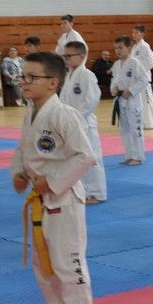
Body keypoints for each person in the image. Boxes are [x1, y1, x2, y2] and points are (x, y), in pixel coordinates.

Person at [12, 51, 99, 304]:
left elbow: (85, 156)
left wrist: (52, 180)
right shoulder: (31, 112)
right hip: (40, 200)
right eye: (23, 76)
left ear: (52, 83)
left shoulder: (64, 114)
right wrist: (19, 173)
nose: (24, 81)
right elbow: (24, 149)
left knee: (67, 264)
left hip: (64, 201)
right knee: (43, 264)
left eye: (31, 77)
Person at [60, 41, 107, 204]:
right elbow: (63, 100)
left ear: (81, 56)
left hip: (85, 122)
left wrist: (77, 117)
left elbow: (92, 98)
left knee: (92, 157)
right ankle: (84, 190)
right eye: (64, 56)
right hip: (71, 123)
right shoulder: (69, 75)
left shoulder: (86, 74)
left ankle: (97, 192)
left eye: (68, 56)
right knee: (77, 159)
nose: (65, 59)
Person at [109, 36, 149, 165]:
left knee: (135, 129)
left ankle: (138, 156)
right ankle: (129, 155)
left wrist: (130, 90)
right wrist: (113, 89)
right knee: (124, 129)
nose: (117, 50)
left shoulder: (135, 63)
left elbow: (144, 80)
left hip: (132, 101)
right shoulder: (116, 65)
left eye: (120, 48)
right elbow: (114, 81)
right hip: (120, 101)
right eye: (115, 48)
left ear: (129, 48)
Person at [130, 25, 153, 128]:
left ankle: (150, 123)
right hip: (136, 80)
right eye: (133, 32)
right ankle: (140, 122)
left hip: (144, 79)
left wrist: (140, 71)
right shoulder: (134, 47)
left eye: (136, 32)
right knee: (138, 103)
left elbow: (151, 62)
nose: (134, 34)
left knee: (147, 102)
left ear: (142, 34)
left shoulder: (145, 46)